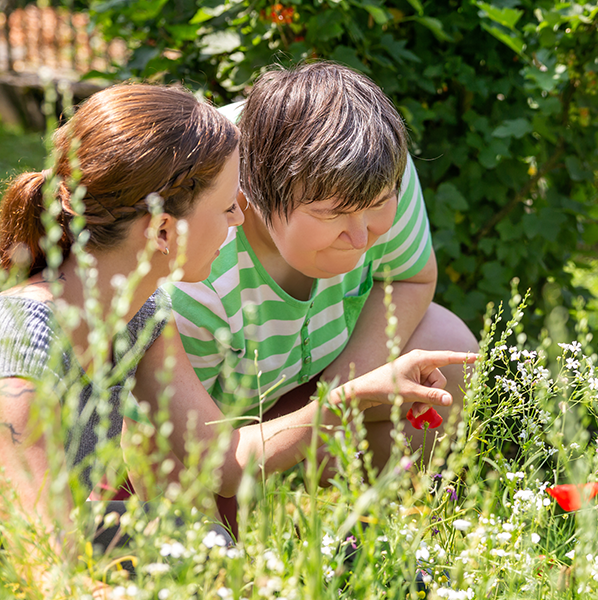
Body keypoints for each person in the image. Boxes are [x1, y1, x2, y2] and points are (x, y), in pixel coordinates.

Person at [0, 83, 475, 596]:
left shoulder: (140, 316)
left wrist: (356, 394)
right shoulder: (18, 358)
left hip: (41, 547)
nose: (242, 219)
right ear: (164, 232)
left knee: (204, 551)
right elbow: (43, 572)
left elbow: (223, 458)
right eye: (226, 208)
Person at [170, 61, 479, 466]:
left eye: (378, 204)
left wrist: (342, 399)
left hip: (311, 380)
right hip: (207, 428)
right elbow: (185, 447)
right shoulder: (196, 256)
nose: (361, 237)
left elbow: (410, 278)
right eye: (332, 214)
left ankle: (357, 513)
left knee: (449, 348)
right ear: (253, 194)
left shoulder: (372, 165)